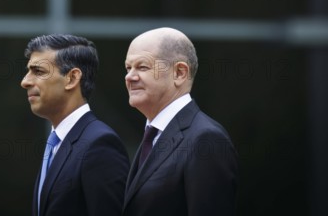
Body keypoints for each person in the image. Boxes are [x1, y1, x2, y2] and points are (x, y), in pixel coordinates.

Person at [122, 27, 238, 216]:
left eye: (142, 67)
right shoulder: (152, 136)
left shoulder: (206, 139)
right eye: (128, 68)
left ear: (180, 73)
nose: (130, 77)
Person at [21, 34, 129, 216]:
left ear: (72, 78)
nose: (25, 81)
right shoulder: (57, 143)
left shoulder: (100, 145)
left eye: (38, 71)